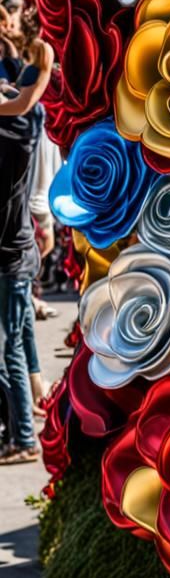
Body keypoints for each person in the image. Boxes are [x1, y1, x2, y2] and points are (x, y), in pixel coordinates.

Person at [0, 33, 53, 462]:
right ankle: (22, 425)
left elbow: (19, 99)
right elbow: (24, 96)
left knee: (9, 352)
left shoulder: (13, 130)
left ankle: (22, 437)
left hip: (9, 257)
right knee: (17, 344)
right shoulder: (28, 125)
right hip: (19, 253)